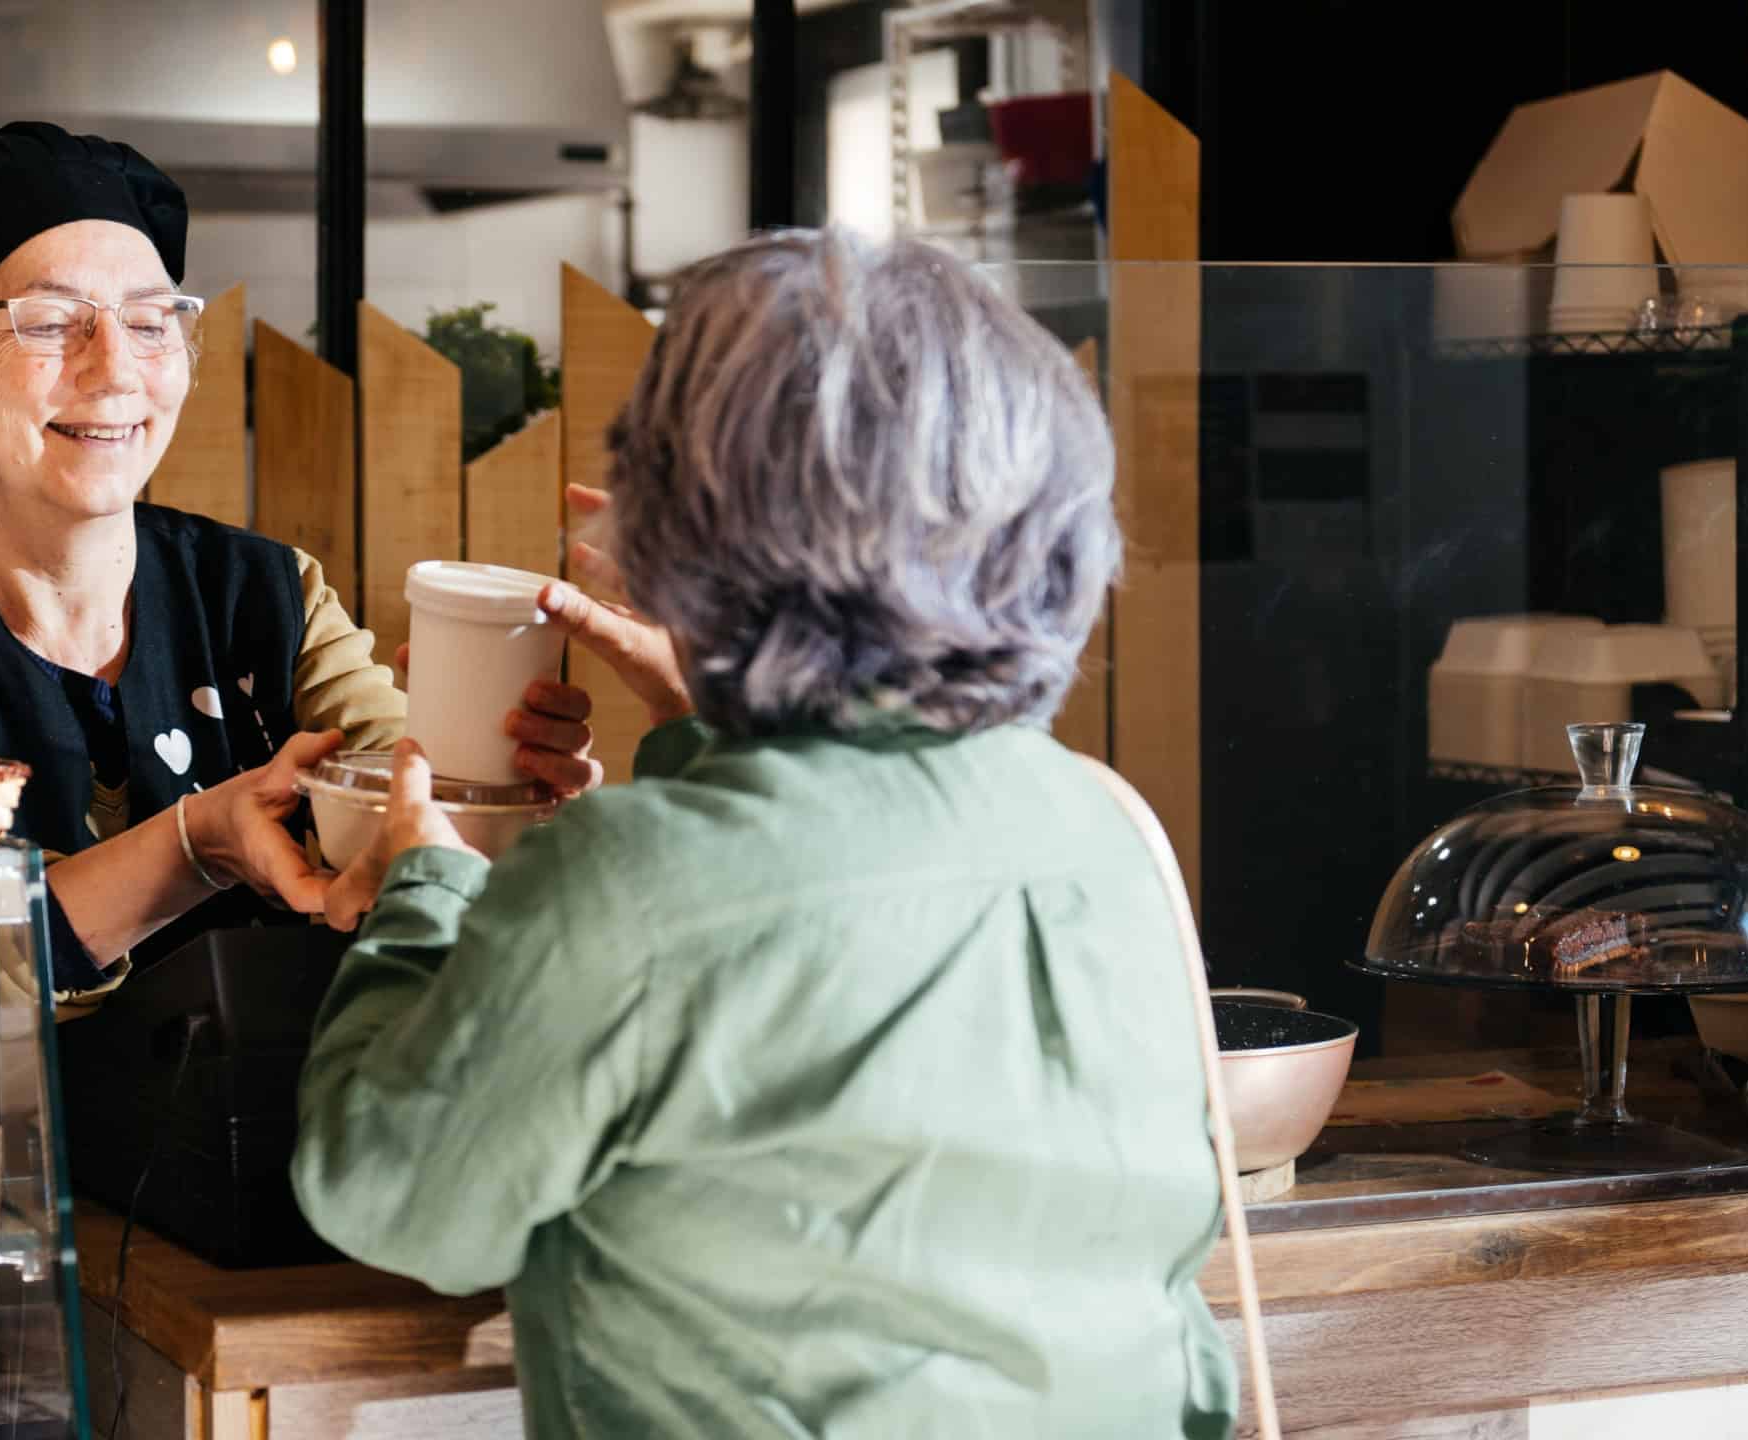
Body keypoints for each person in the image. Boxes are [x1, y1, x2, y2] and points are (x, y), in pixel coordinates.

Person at [292, 229, 1236, 1438]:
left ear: (698, 529)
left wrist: (425, 883)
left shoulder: (627, 879)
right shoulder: (1103, 832)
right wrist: (705, 730)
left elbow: (400, 1199)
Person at [0, 123, 601, 1181]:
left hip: (220, 1190)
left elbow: (402, 814)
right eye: (53, 321)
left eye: (153, 323)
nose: (116, 371)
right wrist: (198, 845)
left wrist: (498, 793)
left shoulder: (265, 595)